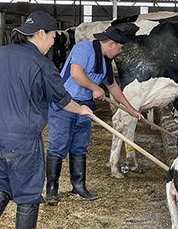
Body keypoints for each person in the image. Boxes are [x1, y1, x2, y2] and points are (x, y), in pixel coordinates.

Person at [0, 11, 94, 229]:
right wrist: (82, 110)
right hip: (24, 143)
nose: (53, 42)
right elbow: (62, 100)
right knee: (28, 195)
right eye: (52, 36)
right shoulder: (42, 64)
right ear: (40, 33)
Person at [45, 26, 144, 205]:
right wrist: (95, 88)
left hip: (85, 106)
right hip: (65, 102)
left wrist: (131, 108)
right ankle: (52, 189)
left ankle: (78, 186)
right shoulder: (84, 48)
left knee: (79, 147)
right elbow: (76, 73)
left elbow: (113, 87)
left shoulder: (105, 62)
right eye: (119, 48)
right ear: (111, 43)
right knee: (59, 144)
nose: (119, 52)